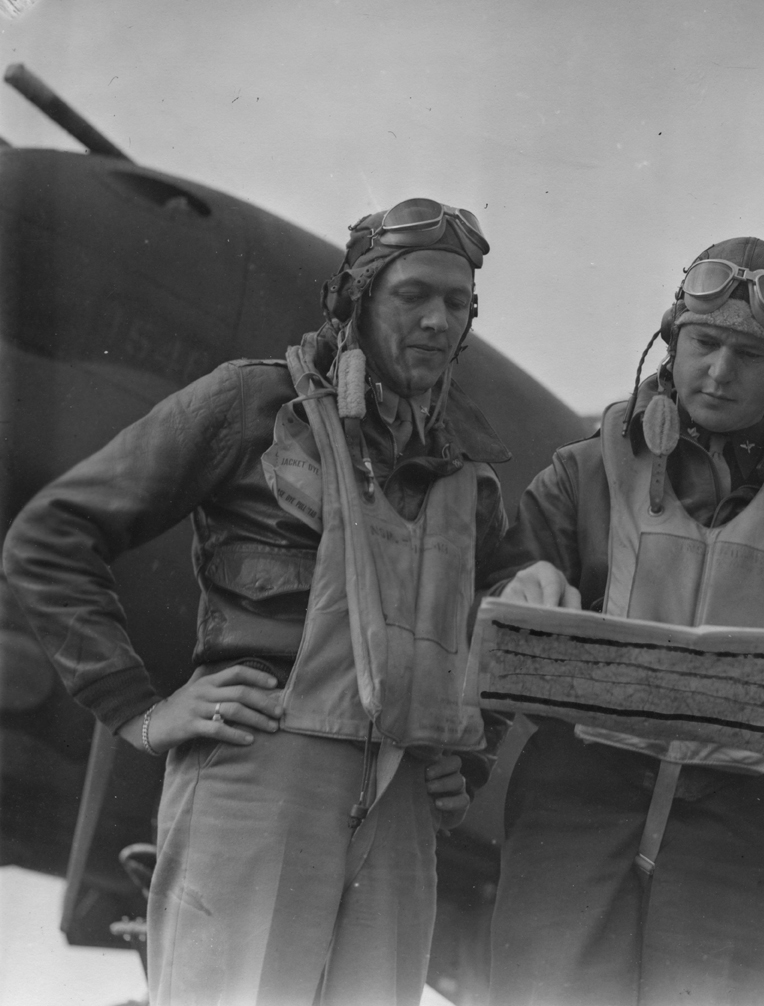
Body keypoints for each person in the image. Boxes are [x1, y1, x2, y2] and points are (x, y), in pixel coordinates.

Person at [3, 197, 511, 1006]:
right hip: (263, 772)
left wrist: (472, 760)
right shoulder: (249, 405)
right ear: (355, 300)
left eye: (456, 303)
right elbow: (52, 536)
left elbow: (517, 625)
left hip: (402, 803)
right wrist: (138, 709)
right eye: (412, 295)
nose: (436, 321)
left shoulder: (468, 475)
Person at [482, 236, 764, 1006]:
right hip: (575, 819)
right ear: (671, 340)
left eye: (751, 353)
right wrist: (514, 586)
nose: (721, 371)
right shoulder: (581, 474)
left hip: (737, 837)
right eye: (704, 343)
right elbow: (496, 614)